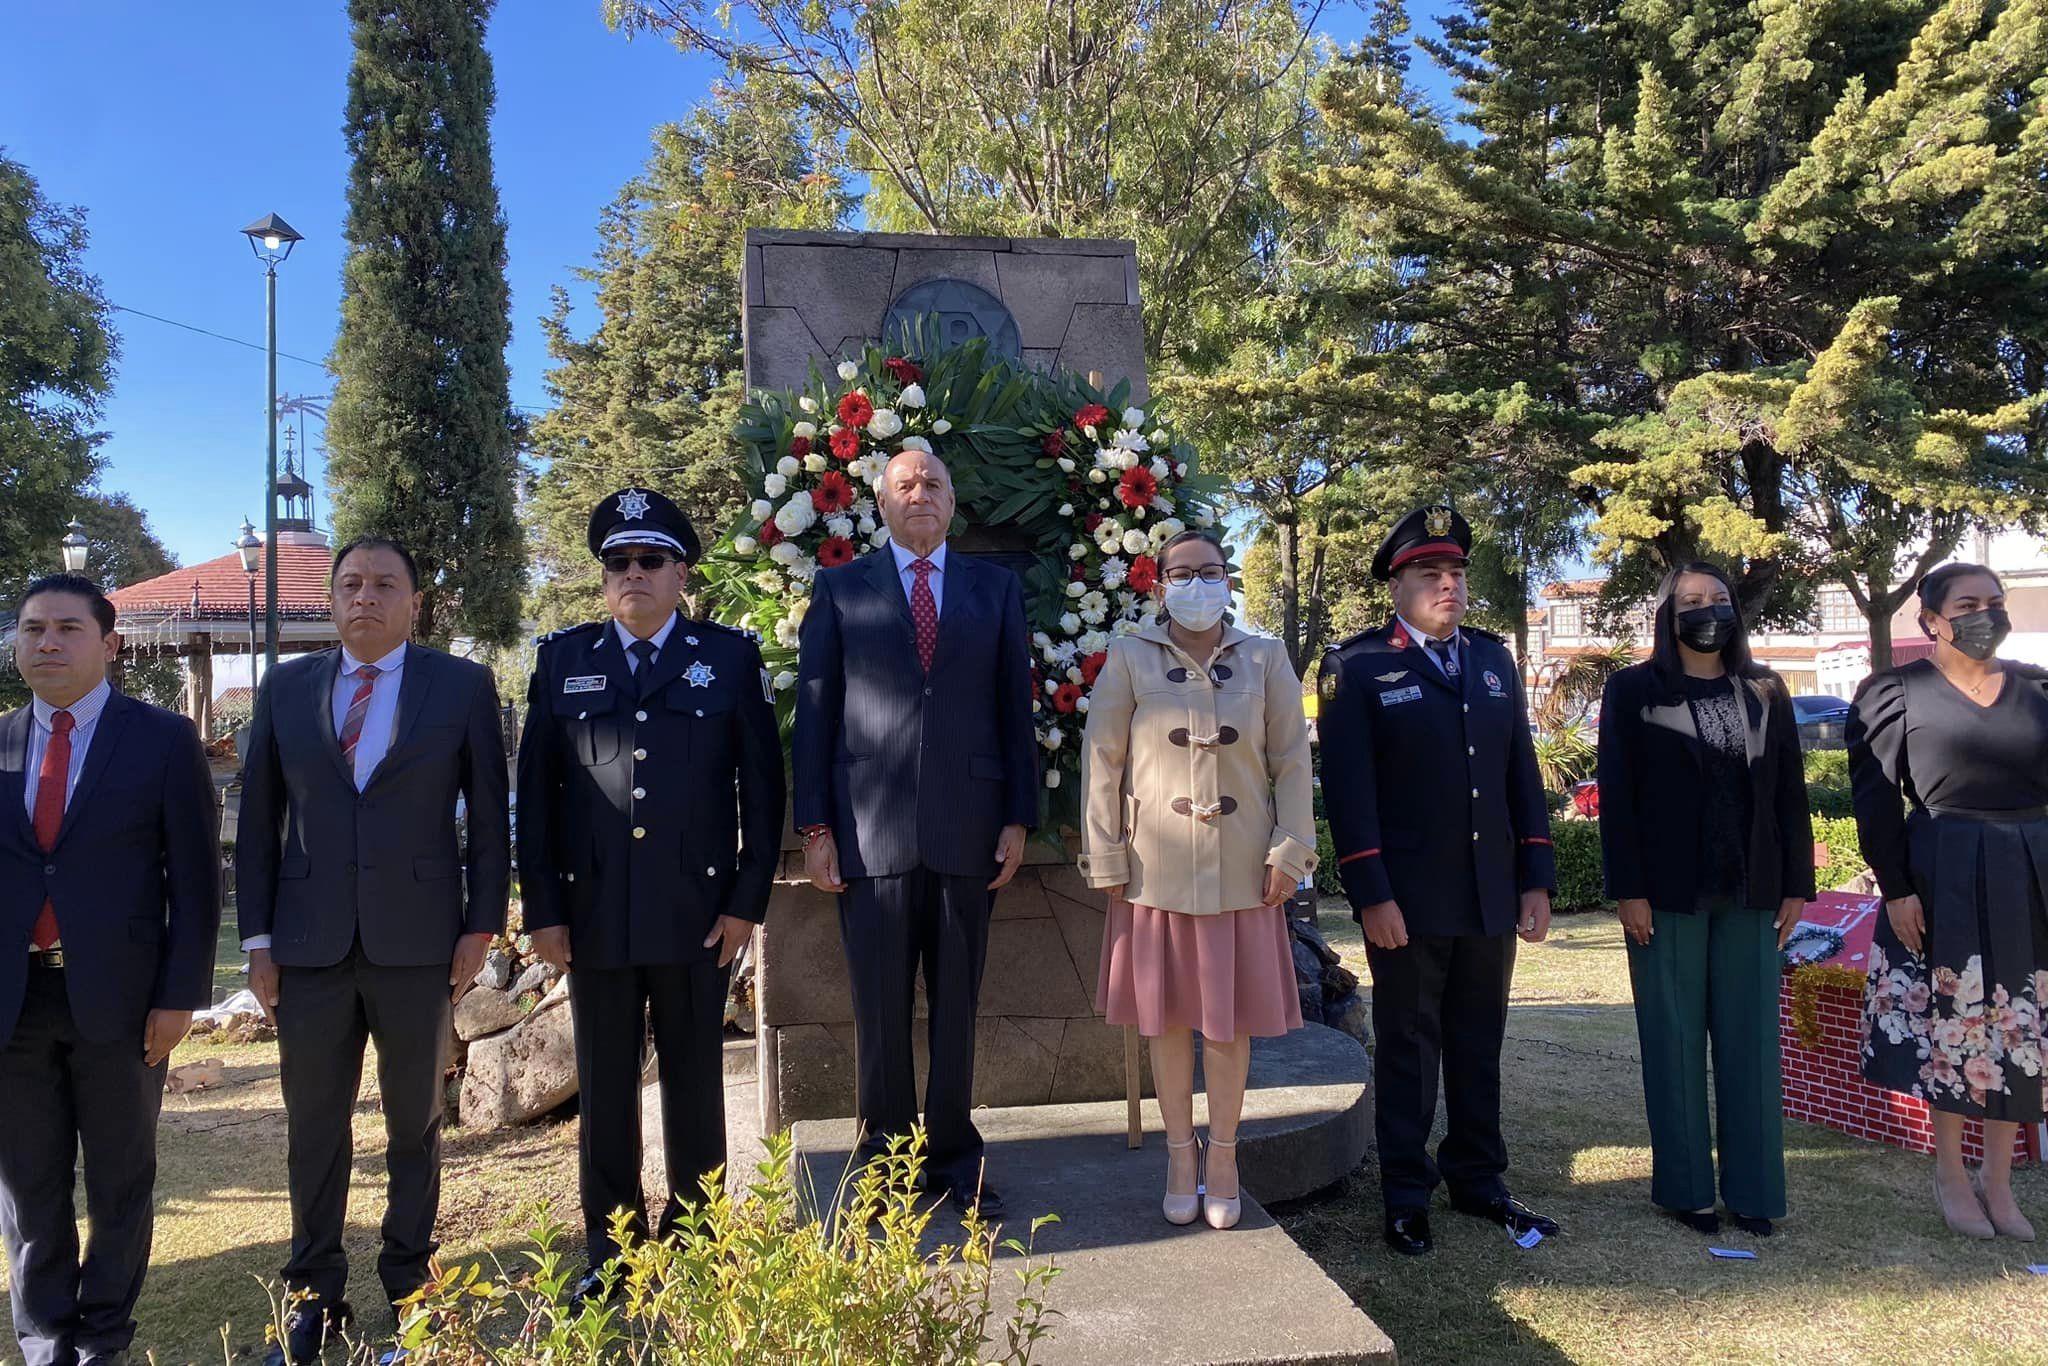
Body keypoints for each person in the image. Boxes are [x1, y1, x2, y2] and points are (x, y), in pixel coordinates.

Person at [235, 538, 511, 1363]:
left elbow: (490, 819)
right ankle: (315, 1289)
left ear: (413, 601)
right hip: (308, 946)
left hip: (419, 942)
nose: (365, 596)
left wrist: (480, 924)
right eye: (350, 584)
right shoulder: (286, 689)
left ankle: (409, 1277)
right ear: (330, 599)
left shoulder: (459, 686)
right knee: (314, 1125)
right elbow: (256, 829)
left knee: (414, 1124)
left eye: (384, 584)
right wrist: (257, 941)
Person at [516, 487, 783, 1302]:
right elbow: (536, 795)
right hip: (593, 917)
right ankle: (613, 1249)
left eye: (650, 560)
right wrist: (546, 912)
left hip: (697, 917)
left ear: (681, 574)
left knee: (696, 1088)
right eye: (618, 563)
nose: (632, 573)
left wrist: (745, 905)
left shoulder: (729, 659)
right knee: (603, 1090)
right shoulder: (564, 659)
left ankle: (700, 1241)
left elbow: (763, 793)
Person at [793, 448, 1037, 1217]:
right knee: (880, 1010)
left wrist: (1019, 815)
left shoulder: (995, 589)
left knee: (958, 1006)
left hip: (970, 831)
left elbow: (1014, 711)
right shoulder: (839, 589)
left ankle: (957, 1161)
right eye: (905, 484)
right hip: (870, 834)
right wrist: (816, 824)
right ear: (882, 503)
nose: (921, 494)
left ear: (952, 499)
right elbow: (815, 715)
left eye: (933, 482)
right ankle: (883, 1167)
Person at [1317, 504, 1558, 1256]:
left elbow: (1521, 771)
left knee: (1479, 1040)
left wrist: (1536, 876)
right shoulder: (1355, 667)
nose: (1449, 585)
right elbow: (1352, 796)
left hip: (1489, 891)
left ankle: (1479, 1178)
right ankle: (1406, 1192)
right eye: (1431, 574)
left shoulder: (1492, 661)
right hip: (1409, 902)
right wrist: (1371, 894)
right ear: (1396, 583)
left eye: (1455, 573)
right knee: (1409, 1047)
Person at [0, 575, 220, 1366]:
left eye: (66, 628)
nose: (47, 642)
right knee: (28, 1187)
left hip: (124, 1003)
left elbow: (195, 882)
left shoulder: (160, 741)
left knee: (121, 1181)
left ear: (109, 643)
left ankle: (103, 1337)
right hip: (14, 1001)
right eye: (31, 629)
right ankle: (46, 1337)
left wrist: (180, 997)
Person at [1079, 530, 1317, 1230]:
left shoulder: (1268, 658)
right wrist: (1106, 857)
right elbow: (1103, 760)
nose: (1195, 583)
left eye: (1209, 571)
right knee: (1169, 1021)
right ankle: (1179, 1155)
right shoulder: (1128, 657)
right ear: (1159, 586)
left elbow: (1293, 765)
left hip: (1246, 871)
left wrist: (1291, 854)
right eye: (1181, 573)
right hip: (1155, 873)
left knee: (1227, 1023)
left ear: (1229, 581)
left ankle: (1224, 1157)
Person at [1596, 562, 1813, 1238]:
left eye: (1718, 598)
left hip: (1753, 890)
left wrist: (1798, 885)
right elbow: (1618, 799)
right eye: (1691, 600)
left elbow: (1789, 793)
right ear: (1667, 614)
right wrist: (1628, 889)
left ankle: (1753, 1193)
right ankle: (1685, 1189)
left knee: (1751, 1044)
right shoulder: (1632, 690)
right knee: (1675, 1040)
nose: (1707, 609)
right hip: (1666, 895)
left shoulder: (1766, 689)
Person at [1851, 562, 2046, 1242]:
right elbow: (1875, 801)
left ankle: (1999, 1179)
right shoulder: (1893, 693)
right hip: (1942, 868)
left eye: (1995, 602)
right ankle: (1952, 1176)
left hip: (2030, 870)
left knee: (2017, 1026)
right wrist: (1897, 887)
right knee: (1952, 1024)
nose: (1984, 614)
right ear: (1929, 618)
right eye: (1968, 603)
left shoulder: (2038, 689)